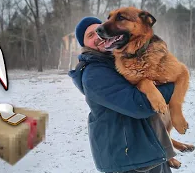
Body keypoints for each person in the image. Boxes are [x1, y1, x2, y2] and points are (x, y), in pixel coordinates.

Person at [68, 17, 176, 173]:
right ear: (84, 45)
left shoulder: (119, 60)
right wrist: (172, 85)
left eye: (99, 31)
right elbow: (139, 105)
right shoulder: (95, 74)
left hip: (145, 150)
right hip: (129, 160)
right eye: (90, 36)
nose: (98, 37)